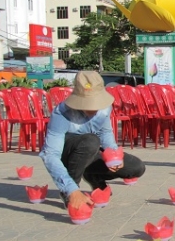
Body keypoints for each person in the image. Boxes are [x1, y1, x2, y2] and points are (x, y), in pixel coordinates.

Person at [39, 71, 146, 210]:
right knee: (91, 141)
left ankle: (92, 175)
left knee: (136, 167)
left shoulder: (105, 107)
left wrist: (112, 154)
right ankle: (70, 190)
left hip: (90, 150)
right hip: (68, 153)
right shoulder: (62, 113)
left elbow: (105, 131)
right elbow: (50, 155)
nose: (94, 108)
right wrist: (72, 191)